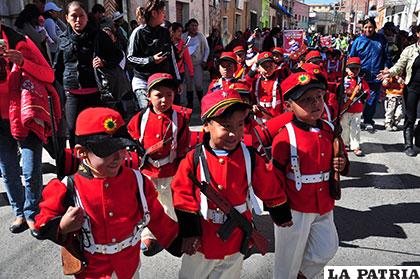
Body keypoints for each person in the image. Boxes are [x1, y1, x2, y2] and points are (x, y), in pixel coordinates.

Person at [33, 107, 178, 278]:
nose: (118, 157)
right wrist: (62, 227)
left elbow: (158, 217)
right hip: (93, 271)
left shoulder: (137, 181)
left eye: (123, 147)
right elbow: (41, 224)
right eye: (108, 151)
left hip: (129, 266)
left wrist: (182, 242)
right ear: (81, 152)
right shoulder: (67, 187)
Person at [171, 88, 292, 279]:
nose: (234, 133)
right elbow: (182, 193)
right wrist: (189, 231)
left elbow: (269, 187)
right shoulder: (193, 158)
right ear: (207, 125)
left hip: (236, 234)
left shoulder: (250, 157)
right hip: (203, 236)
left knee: (229, 273)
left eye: (240, 124)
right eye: (226, 126)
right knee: (191, 275)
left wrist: (281, 213)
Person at [272, 72, 349, 279]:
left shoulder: (330, 129)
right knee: (287, 259)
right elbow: (275, 176)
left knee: (327, 247)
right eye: (306, 100)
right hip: (295, 206)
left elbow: (341, 154)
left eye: (319, 97)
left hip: (324, 201)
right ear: (288, 106)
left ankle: (303, 275)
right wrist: (278, 209)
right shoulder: (285, 136)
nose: (315, 103)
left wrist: (341, 164)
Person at [127, 73, 191, 255]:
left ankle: (171, 234)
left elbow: (183, 145)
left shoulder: (180, 119)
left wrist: (182, 170)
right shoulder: (140, 118)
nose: (164, 100)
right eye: (158, 95)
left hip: (170, 170)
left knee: (169, 202)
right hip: (147, 170)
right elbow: (132, 138)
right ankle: (149, 235)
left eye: (169, 95)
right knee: (147, 204)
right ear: (148, 96)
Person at [0, 23, 54, 233]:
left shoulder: (20, 42)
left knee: (31, 170)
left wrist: (22, 62)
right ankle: (19, 213)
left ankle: (32, 212)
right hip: (2, 122)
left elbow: (48, 75)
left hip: (26, 116)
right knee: (9, 171)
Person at [54, 1, 123, 147]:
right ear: (67, 18)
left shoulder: (99, 36)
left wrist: (104, 62)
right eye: (74, 16)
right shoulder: (63, 39)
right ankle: (76, 162)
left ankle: (95, 162)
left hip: (95, 93)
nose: (78, 20)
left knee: (96, 130)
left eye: (81, 16)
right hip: (72, 94)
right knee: (73, 131)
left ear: (87, 17)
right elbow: (58, 67)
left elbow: (117, 55)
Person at [127, 0, 180, 109]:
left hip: (162, 81)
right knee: (148, 113)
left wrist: (177, 80)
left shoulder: (165, 32)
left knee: (164, 114)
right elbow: (130, 58)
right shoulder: (138, 33)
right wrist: (151, 60)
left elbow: (172, 58)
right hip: (143, 82)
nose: (165, 15)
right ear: (154, 13)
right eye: (162, 11)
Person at [377, 23, 420, 157]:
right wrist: (389, 73)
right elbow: (399, 66)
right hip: (412, 87)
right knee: (410, 117)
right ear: (418, 34)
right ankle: (408, 145)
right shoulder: (410, 50)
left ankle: (418, 140)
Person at [349, 18, 391, 132]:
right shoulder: (358, 41)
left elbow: (387, 57)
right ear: (363, 28)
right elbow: (351, 57)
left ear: (375, 27)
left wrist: (386, 69)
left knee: (372, 100)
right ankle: (355, 120)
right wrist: (351, 72)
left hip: (376, 76)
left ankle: (368, 121)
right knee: (357, 99)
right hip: (360, 76)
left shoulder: (381, 40)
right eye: (366, 27)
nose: (368, 29)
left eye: (370, 27)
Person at [341, 57, 370, 157]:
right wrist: (345, 92)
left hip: (357, 109)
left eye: (356, 69)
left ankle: (355, 145)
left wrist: (360, 93)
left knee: (356, 128)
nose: (354, 71)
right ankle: (344, 143)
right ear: (346, 69)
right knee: (344, 127)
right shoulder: (342, 81)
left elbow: (367, 93)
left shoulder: (361, 82)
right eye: (352, 69)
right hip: (345, 108)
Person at [247, 52, 286, 122]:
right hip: (260, 118)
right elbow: (247, 80)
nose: (268, 69)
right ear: (258, 68)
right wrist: (253, 105)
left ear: (274, 66)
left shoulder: (280, 79)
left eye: (270, 65)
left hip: (277, 118)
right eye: (264, 66)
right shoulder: (256, 81)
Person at [182, 18, 210, 109]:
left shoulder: (200, 36)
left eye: (195, 25)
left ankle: (201, 102)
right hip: (187, 64)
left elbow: (206, 49)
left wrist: (204, 60)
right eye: (192, 25)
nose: (194, 27)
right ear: (188, 27)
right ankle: (190, 104)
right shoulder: (184, 36)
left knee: (198, 84)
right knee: (189, 84)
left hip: (198, 63)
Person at [170, 22, 194, 105]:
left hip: (180, 72)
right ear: (172, 32)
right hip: (169, 72)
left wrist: (191, 72)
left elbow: (187, 59)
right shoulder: (168, 44)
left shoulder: (183, 43)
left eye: (181, 31)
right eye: (178, 31)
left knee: (177, 93)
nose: (181, 33)